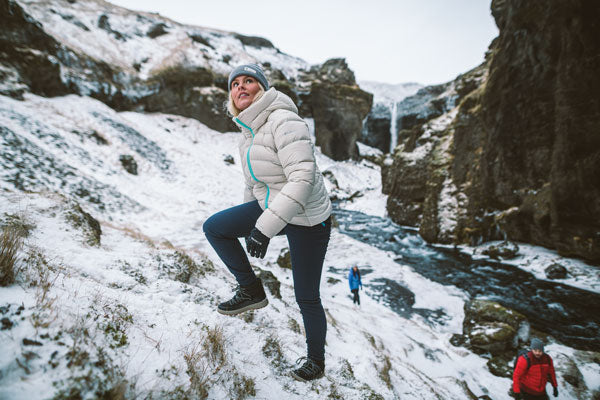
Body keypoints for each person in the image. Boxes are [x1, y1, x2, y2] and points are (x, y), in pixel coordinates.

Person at [203, 64, 332, 382]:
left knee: (307, 297)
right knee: (216, 227)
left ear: (262, 89)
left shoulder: (284, 120)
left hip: (309, 219)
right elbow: (255, 185)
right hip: (273, 205)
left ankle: (316, 362)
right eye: (235, 83)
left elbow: (302, 178)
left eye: (249, 81)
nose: (241, 87)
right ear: (231, 95)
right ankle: (251, 290)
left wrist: (263, 228)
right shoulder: (247, 132)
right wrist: (252, 221)